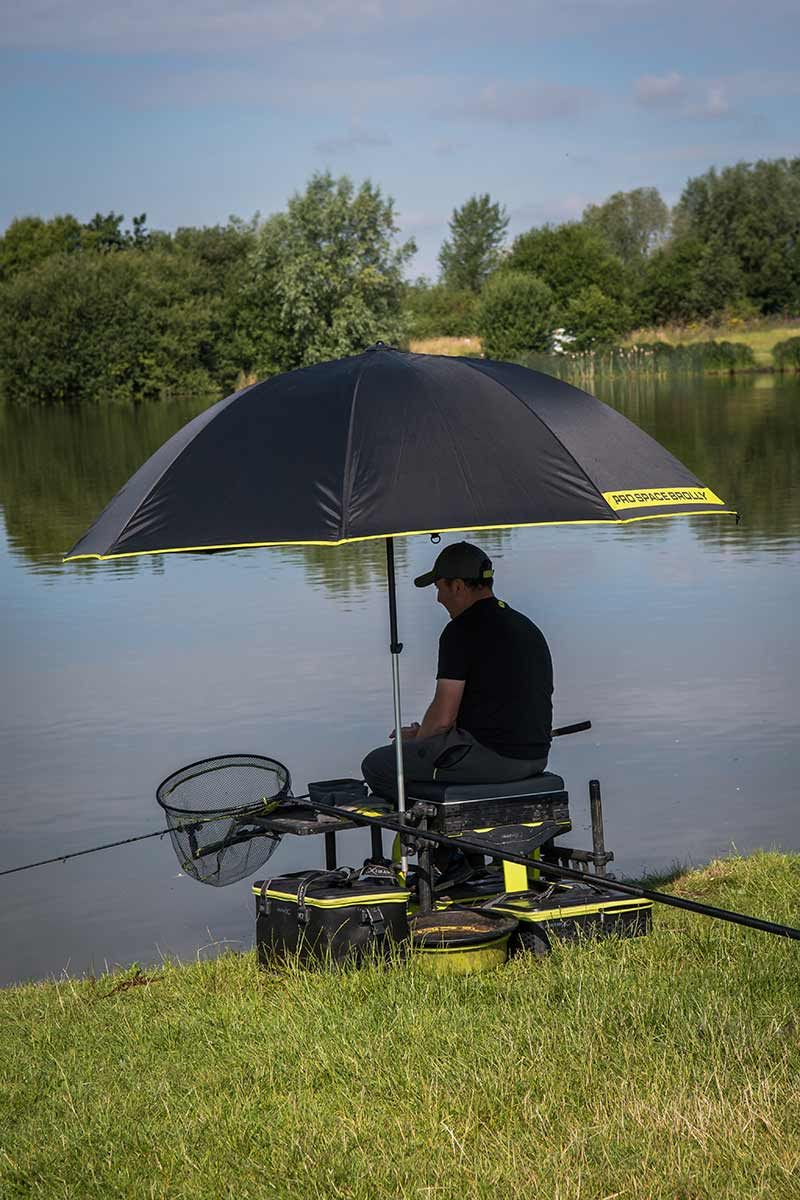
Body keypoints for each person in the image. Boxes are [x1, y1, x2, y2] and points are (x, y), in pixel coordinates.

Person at [361, 540, 553, 803]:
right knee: (417, 750)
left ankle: (424, 824)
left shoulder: (461, 631)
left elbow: (443, 718)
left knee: (378, 764)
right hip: (536, 758)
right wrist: (422, 734)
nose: (438, 598)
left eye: (440, 588)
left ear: (458, 586)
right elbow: (495, 710)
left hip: (495, 759)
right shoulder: (525, 626)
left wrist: (417, 743)